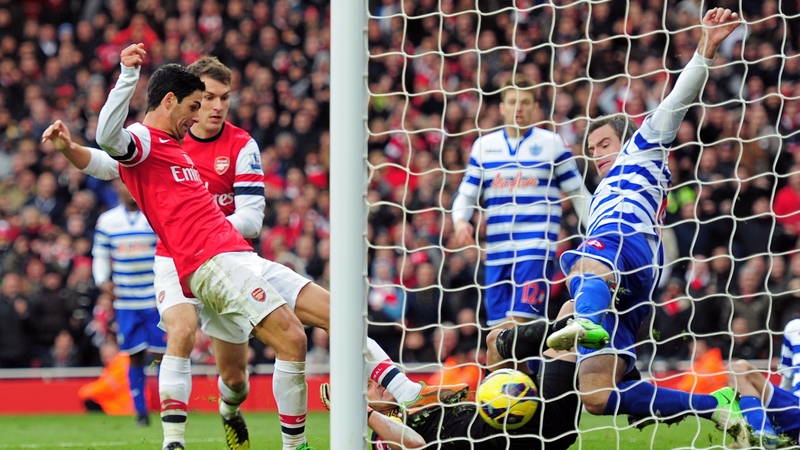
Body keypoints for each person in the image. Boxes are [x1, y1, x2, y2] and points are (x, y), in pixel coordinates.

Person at [43, 51, 455, 450]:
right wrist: (127, 75)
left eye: (220, 99)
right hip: (207, 262)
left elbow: (104, 162)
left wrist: (67, 149)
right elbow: (107, 142)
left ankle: (404, 391)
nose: (203, 112)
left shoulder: (198, 146)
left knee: (334, 317)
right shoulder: (146, 141)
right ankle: (185, 441)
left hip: (240, 256)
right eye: (196, 104)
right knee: (272, 337)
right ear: (171, 101)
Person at [544, 8, 748, 446]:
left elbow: (677, 99)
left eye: (604, 144)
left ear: (625, 138)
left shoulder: (642, 147)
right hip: (632, 276)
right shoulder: (600, 194)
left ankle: (584, 322)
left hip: (625, 247)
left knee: (583, 273)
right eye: (592, 149)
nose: (597, 154)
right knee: (597, 394)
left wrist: (706, 49)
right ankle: (715, 404)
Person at [324, 301, 582, 450]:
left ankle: (588, 314)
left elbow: (366, 344)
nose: (376, 383)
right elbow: (415, 444)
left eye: (372, 378)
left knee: (501, 339)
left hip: (518, 410)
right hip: (531, 435)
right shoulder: (382, 438)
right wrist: (363, 412)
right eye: (367, 387)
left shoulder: (415, 397)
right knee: (506, 340)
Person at [450, 73, 589, 329]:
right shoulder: (484, 147)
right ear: (502, 107)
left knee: (520, 328)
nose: (519, 108)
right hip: (497, 252)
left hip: (535, 248)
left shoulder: (553, 144)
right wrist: (460, 222)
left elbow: (579, 194)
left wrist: (598, 232)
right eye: (513, 102)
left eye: (525, 102)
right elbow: (466, 194)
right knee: (497, 335)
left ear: (535, 107)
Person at [92, 178, 163, 426]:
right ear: (117, 189)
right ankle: (140, 411)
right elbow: (100, 255)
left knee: (163, 354)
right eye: (123, 184)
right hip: (125, 298)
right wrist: (103, 281)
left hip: (156, 297)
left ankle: (170, 407)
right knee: (134, 354)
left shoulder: (154, 214)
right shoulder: (108, 221)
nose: (129, 189)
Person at [78, 341, 135, 416]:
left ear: (116, 353)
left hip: (126, 408)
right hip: (123, 405)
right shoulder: (116, 365)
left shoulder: (121, 365)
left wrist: (85, 391)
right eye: (104, 357)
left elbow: (104, 387)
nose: (107, 360)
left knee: (90, 399)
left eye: (109, 356)